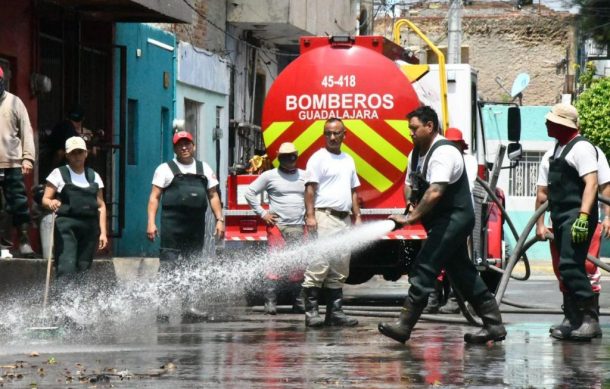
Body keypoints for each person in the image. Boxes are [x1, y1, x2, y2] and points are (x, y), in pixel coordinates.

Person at [379, 106, 506, 344]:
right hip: (439, 221)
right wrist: (410, 203)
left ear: (430, 126)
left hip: (455, 219)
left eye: (414, 128)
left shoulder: (444, 152)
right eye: (410, 129)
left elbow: (436, 191)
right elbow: (410, 183)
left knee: (425, 267)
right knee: (462, 273)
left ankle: (404, 326)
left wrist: (410, 218)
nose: (411, 133)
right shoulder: (415, 153)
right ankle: (494, 326)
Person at [535, 103, 602, 341]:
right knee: (565, 268)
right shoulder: (554, 151)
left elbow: (592, 183)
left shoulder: (581, 148)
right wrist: (539, 223)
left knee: (572, 266)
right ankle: (573, 319)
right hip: (560, 216)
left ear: (562, 124)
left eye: (550, 121)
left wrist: (584, 217)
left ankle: (590, 319)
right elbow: (542, 193)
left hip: (577, 216)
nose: (546, 124)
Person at [147, 130, 225, 320]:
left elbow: (213, 195)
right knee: (168, 267)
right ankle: (162, 309)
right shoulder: (165, 169)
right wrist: (150, 222)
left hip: (195, 226)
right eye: (180, 144)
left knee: (192, 266)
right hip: (172, 226)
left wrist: (219, 220)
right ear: (174, 148)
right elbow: (154, 197)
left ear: (193, 146)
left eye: (187, 143)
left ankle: (188, 307)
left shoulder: (204, 168)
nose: (184, 147)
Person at [301, 118, 362, 328]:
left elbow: (354, 191)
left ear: (345, 135)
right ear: (324, 135)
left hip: (343, 219)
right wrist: (310, 216)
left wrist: (358, 216)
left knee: (340, 266)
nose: (332, 137)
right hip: (324, 217)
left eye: (337, 133)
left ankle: (335, 313)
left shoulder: (348, 160)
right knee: (319, 264)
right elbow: (310, 189)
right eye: (328, 133)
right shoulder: (318, 159)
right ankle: (311, 313)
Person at [245, 142, 307, 315]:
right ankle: (270, 302)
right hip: (277, 227)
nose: (289, 159)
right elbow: (249, 193)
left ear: (297, 155)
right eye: (285, 156)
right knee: (275, 264)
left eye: (292, 156)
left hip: (299, 226)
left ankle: (299, 303)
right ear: (279, 157)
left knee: (298, 265)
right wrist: (263, 214)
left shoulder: (305, 175)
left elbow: (314, 195)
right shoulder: (269, 176)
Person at [41, 137, 107, 276]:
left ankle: (80, 298)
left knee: (84, 267)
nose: (77, 156)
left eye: (80, 152)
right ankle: (64, 297)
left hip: (89, 227)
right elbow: (45, 199)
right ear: (67, 155)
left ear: (86, 153)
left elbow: (101, 206)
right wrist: (51, 203)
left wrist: (103, 232)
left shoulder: (93, 176)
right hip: (66, 226)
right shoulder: (59, 173)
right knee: (67, 265)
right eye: (73, 153)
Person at [0, 66, 36, 257]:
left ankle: (23, 240)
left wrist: (28, 158)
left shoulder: (15, 102)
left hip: (13, 163)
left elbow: (26, 131)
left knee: (18, 202)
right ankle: (3, 246)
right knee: (1, 207)